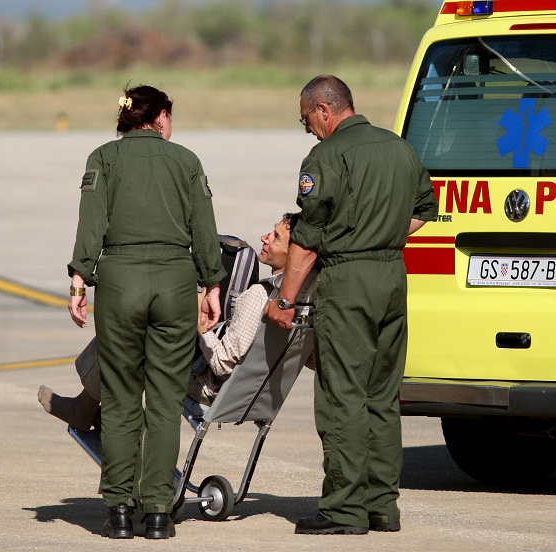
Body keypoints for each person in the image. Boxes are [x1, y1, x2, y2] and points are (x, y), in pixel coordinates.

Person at [266, 75, 439, 536]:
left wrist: (283, 298)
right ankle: (382, 506)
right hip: (391, 276)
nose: (307, 129)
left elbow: (305, 242)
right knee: (382, 395)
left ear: (325, 109)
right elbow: (424, 209)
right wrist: (381, 237)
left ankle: (344, 510)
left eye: (306, 118)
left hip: (349, 281)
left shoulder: (327, 156)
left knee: (343, 393)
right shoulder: (399, 148)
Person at [66, 84, 226, 540]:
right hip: (175, 285)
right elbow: (204, 227)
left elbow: (90, 222)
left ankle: (119, 510)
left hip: (119, 282)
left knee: (119, 398)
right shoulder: (187, 162)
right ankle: (157, 512)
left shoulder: (103, 158)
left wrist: (79, 278)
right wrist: (212, 284)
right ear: (158, 118)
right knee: (164, 400)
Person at [40, 212, 302, 426]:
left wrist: (201, 320)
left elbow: (222, 363)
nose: (265, 237)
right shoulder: (304, 301)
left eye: (276, 237)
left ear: (296, 253)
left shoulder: (259, 295)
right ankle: (92, 410)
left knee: (133, 327)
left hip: (212, 388)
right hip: (257, 395)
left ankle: (85, 410)